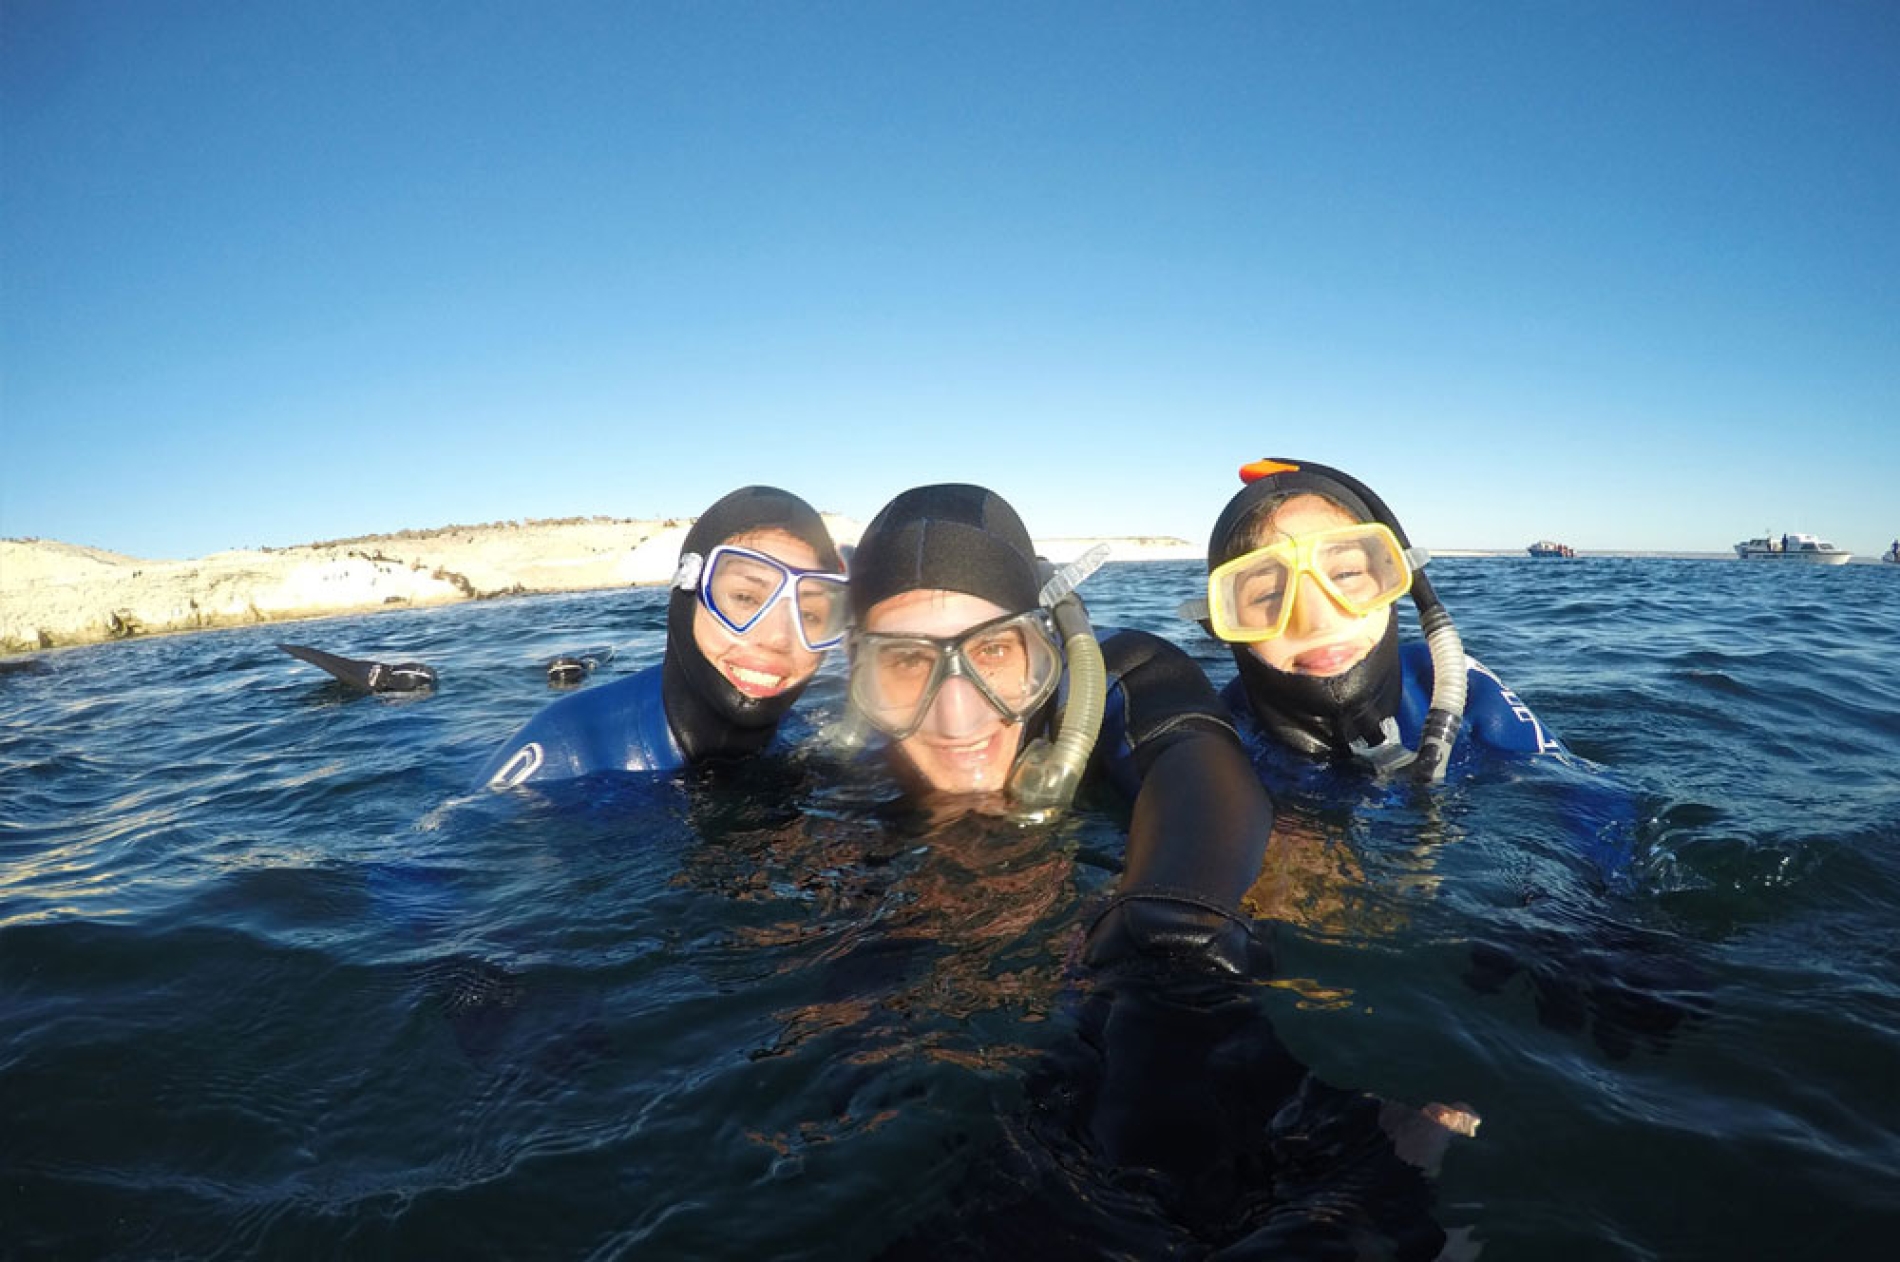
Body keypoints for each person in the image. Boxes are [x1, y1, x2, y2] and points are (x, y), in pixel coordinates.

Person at [842, 482, 1274, 974]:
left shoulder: (1125, 672)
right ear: (859, 666)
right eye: (906, 660)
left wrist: (1180, 922)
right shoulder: (842, 765)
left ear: (1042, 644)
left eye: (995, 649)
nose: (957, 716)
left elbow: (1193, 756)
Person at [1188, 457, 1565, 782]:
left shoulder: (1453, 687)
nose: (1318, 621)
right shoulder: (1218, 740)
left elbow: (1589, 814)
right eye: (1269, 594)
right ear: (1225, 621)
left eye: (1347, 575)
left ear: (1395, 576)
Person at [475, 485, 847, 787]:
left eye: (810, 614)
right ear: (685, 591)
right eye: (746, 598)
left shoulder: (810, 740)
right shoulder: (561, 755)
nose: (779, 637)